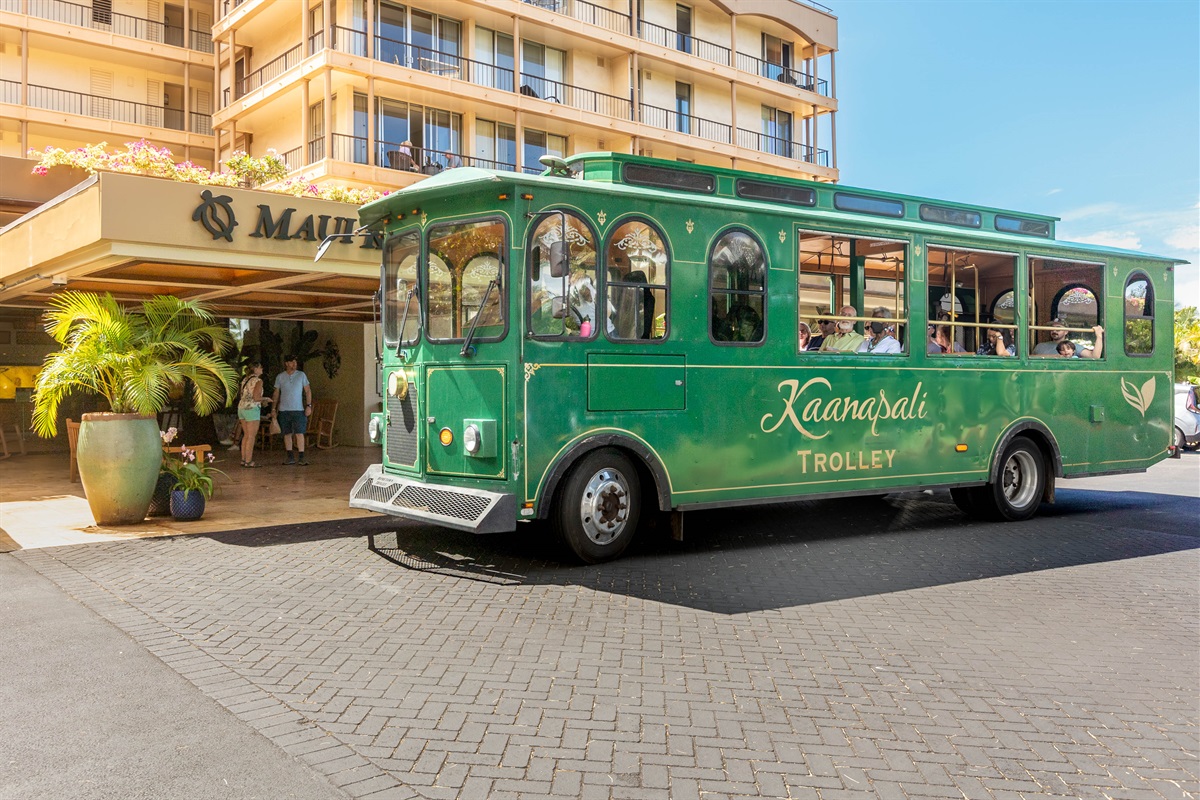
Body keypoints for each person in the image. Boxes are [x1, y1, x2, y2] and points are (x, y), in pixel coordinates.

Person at [270, 355, 313, 466]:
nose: (294, 364)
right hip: (284, 409)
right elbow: (276, 393)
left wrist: (309, 405)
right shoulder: (280, 377)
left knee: (299, 432)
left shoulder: (301, 375)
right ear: (286, 363)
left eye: (295, 362)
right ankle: (290, 457)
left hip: (298, 409)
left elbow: (308, 391)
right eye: (292, 362)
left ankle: (301, 457)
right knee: (287, 433)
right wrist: (273, 408)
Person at [236, 362, 270, 467]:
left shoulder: (245, 380)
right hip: (252, 409)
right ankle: (249, 461)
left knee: (246, 435)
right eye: (260, 367)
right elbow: (256, 397)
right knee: (251, 436)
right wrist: (266, 399)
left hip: (242, 407)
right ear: (255, 369)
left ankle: (243, 459)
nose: (262, 368)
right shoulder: (258, 381)